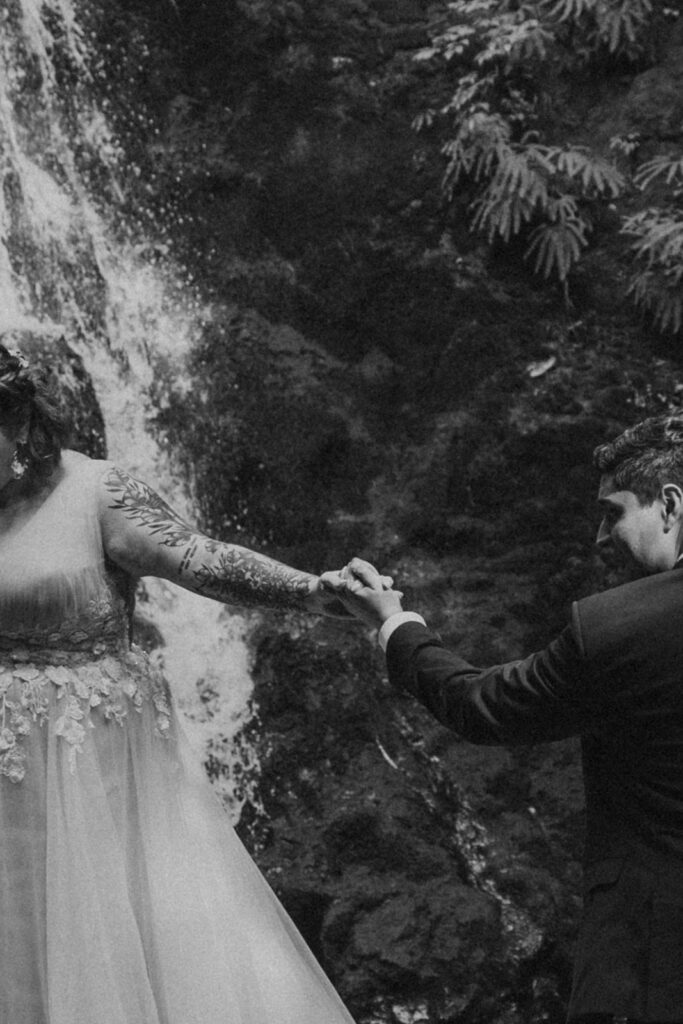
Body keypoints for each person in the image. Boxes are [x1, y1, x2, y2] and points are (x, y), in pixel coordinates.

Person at [0, 343, 374, 1024]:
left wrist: (311, 591)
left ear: (20, 425)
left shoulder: (95, 493)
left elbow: (201, 559)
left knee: (118, 941)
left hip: (101, 776)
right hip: (9, 797)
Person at [328, 414, 683, 1024]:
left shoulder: (620, 630)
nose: (601, 537)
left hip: (652, 962)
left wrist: (389, 621)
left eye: (615, 512)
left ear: (671, 504)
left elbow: (482, 705)